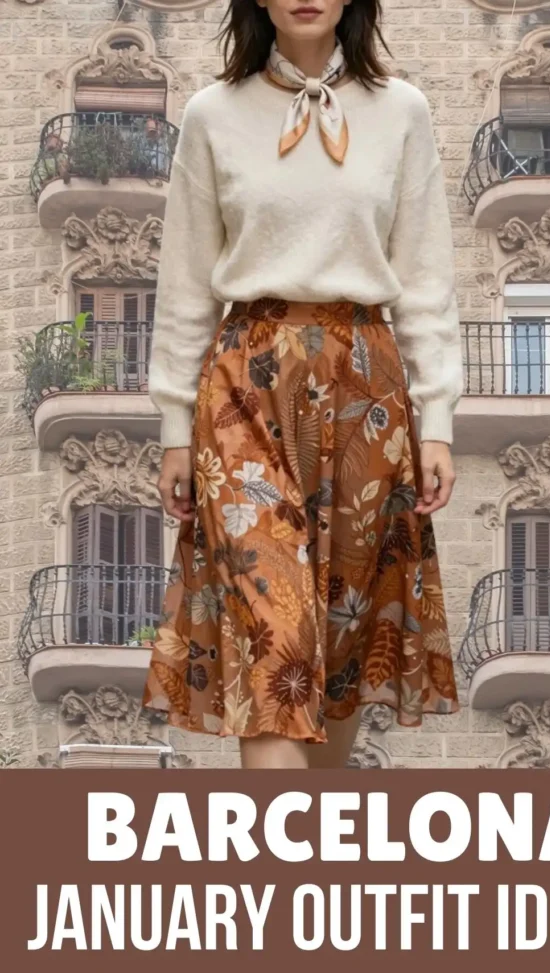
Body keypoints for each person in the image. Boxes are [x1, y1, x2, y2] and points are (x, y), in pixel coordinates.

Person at [140, 0, 463, 769]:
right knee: (277, 645)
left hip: (365, 388)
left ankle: (314, 869)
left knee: (340, 655)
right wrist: (174, 426)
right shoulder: (212, 114)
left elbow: (424, 274)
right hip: (244, 390)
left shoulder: (401, 111)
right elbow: (184, 280)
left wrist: (439, 417)